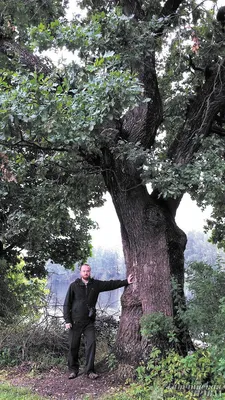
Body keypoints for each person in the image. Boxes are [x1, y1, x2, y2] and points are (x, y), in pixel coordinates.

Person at [63, 263, 134, 380]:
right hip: (75, 322)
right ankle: (73, 370)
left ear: (90, 272)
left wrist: (125, 282)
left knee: (91, 344)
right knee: (73, 347)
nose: (86, 273)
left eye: (88, 271)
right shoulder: (73, 286)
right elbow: (67, 304)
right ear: (80, 272)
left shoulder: (95, 285)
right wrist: (67, 320)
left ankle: (89, 370)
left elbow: (110, 284)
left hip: (89, 322)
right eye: (84, 271)